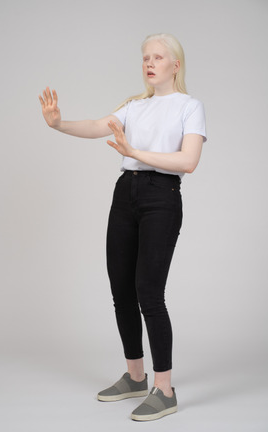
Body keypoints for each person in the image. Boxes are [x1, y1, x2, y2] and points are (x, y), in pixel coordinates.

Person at [38, 32, 207, 422]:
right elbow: (99, 126)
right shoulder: (135, 105)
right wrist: (59, 124)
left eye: (158, 57)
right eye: (146, 57)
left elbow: (188, 161)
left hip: (161, 196)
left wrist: (134, 152)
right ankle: (134, 377)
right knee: (121, 289)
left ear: (175, 65)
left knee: (149, 291)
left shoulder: (189, 105)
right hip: (125, 194)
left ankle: (164, 390)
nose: (150, 63)